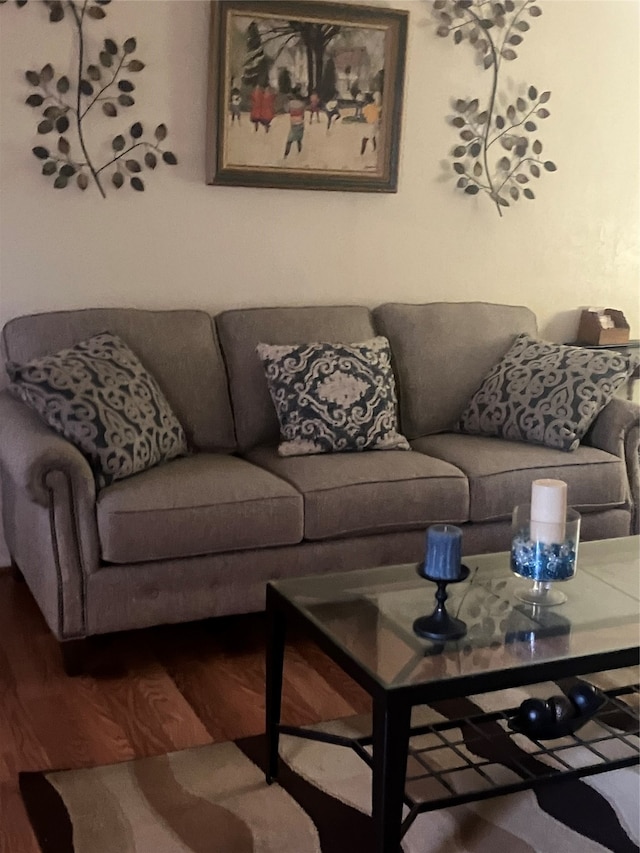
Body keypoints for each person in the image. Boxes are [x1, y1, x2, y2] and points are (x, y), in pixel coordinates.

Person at [284, 86, 305, 156]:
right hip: (301, 123)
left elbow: (287, 110)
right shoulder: (301, 103)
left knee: (289, 141)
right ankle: (299, 153)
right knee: (299, 140)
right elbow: (303, 115)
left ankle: (285, 156)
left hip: (294, 124)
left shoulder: (290, 103)